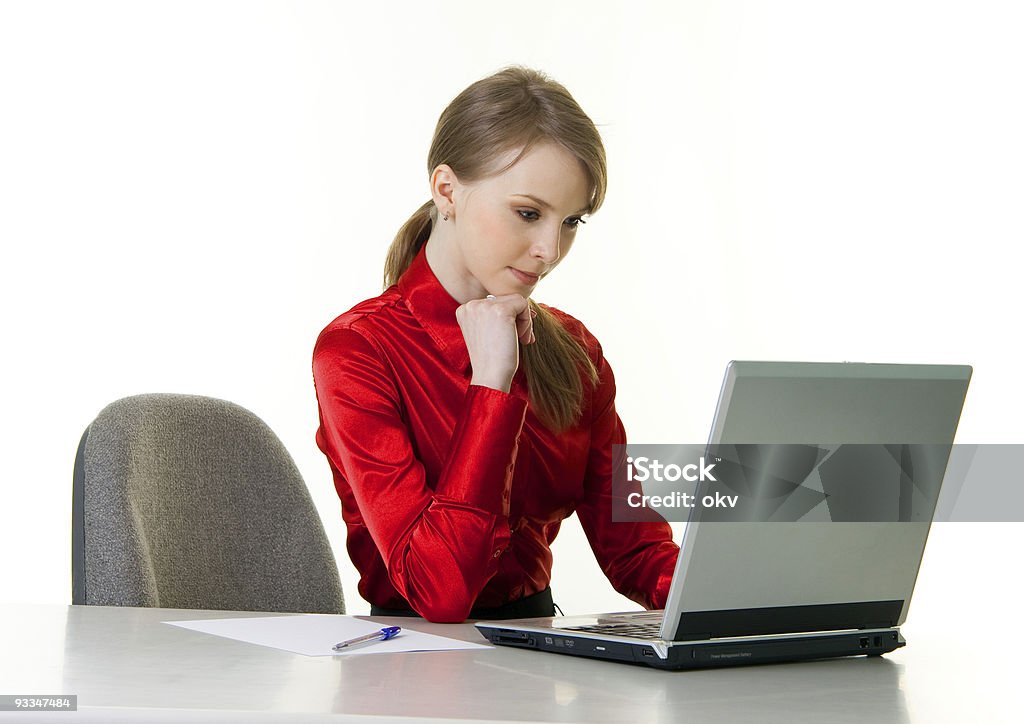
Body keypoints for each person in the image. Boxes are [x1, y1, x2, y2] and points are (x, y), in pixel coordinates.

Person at [313, 66, 679, 623]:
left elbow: (636, 551)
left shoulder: (575, 350)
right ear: (446, 189)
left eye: (571, 221)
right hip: (411, 672)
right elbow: (440, 592)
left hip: (538, 663)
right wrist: (491, 385)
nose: (549, 249)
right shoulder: (358, 351)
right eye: (528, 213)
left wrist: (749, 597)